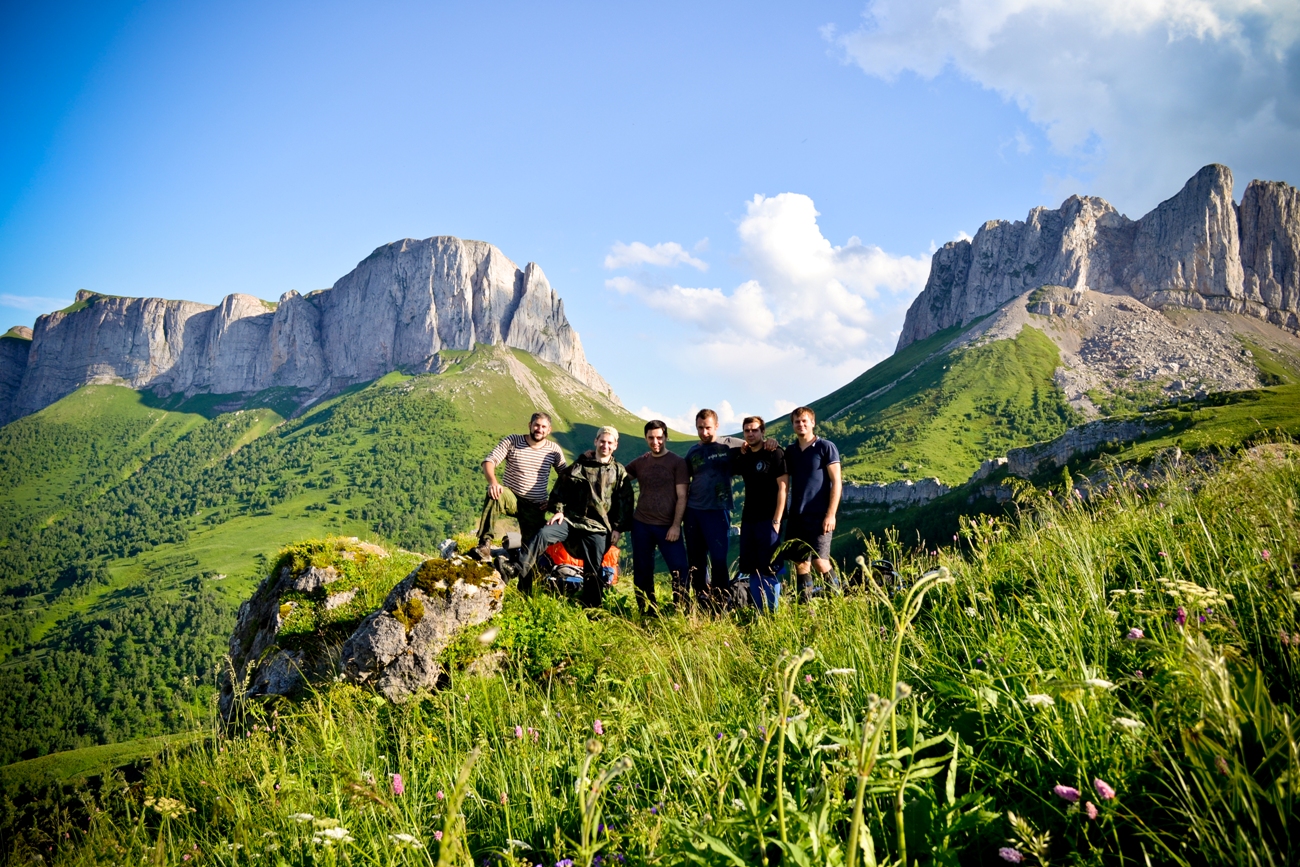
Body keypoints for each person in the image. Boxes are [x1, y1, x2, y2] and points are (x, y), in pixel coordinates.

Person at [513, 426, 634, 608]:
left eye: (610, 442)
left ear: (615, 445)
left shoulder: (618, 472)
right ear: (596, 442)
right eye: (602, 441)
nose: (605, 445)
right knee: (543, 534)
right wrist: (559, 510)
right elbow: (560, 488)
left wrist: (617, 527)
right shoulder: (580, 466)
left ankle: (592, 608)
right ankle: (517, 569)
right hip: (571, 520)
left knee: (594, 567)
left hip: (598, 527)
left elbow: (625, 503)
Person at [474, 412, 566, 560]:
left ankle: (524, 576)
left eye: (543, 427)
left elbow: (566, 478)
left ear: (549, 430)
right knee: (496, 493)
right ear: (530, 425)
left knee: (530, 553)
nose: (539, 429)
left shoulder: (554, 450)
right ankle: (484, 544)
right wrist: (493, 483)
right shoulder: (513, 441)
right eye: (536, 425)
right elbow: (489, 462)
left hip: (536, 506)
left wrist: (553, 503)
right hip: (511, 497)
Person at [625, 419, 689, 615]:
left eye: (659, 437)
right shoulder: (640, 462)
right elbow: (617, 476)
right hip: (641, 524)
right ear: (645, 438)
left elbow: (682, 496)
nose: (655, 442)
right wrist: (594, 456)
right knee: (643, 571)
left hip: (667, 526)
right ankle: (647, 611)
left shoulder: (678, 462)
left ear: (666, 437)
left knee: (679, 569)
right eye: (651, 438)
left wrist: (676, 525)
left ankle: (681, 609)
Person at [729, 416, 788, 612]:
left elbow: (783, 488)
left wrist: (777, 520)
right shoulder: (744, 456)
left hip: (769, 520)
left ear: (763, 431)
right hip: (749, 520)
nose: (751, 433)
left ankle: (772, 613)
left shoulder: (775, 453)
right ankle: (759, 612)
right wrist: (743, 448)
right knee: (752, 568)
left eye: (754, 430)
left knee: (769, 568)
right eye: (747, 430)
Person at [783, 406, 842, 600]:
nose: (801, 424)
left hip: (819, 515)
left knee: (820, 562)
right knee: (801, 564)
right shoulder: (791, 451)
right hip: (797, 515)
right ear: (792, 425)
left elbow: (836, 482)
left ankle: (836, 599)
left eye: (804, 421)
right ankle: (805, 606)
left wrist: (831, 514)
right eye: (797, 421)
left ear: (812, 423)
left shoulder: (825, 447)